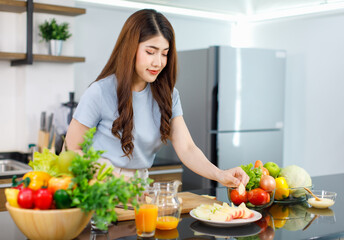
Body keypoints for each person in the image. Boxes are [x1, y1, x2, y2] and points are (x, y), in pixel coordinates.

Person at [65, 9, 249, 188]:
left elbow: (187, 148)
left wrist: (220, 174)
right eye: (150, 52)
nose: (158, 62)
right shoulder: (100, 92)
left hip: (140, 187)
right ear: (130, 49)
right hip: (100, 187)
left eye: (164, 53)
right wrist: (110, 176)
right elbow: (72, 149)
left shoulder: (168, 95)